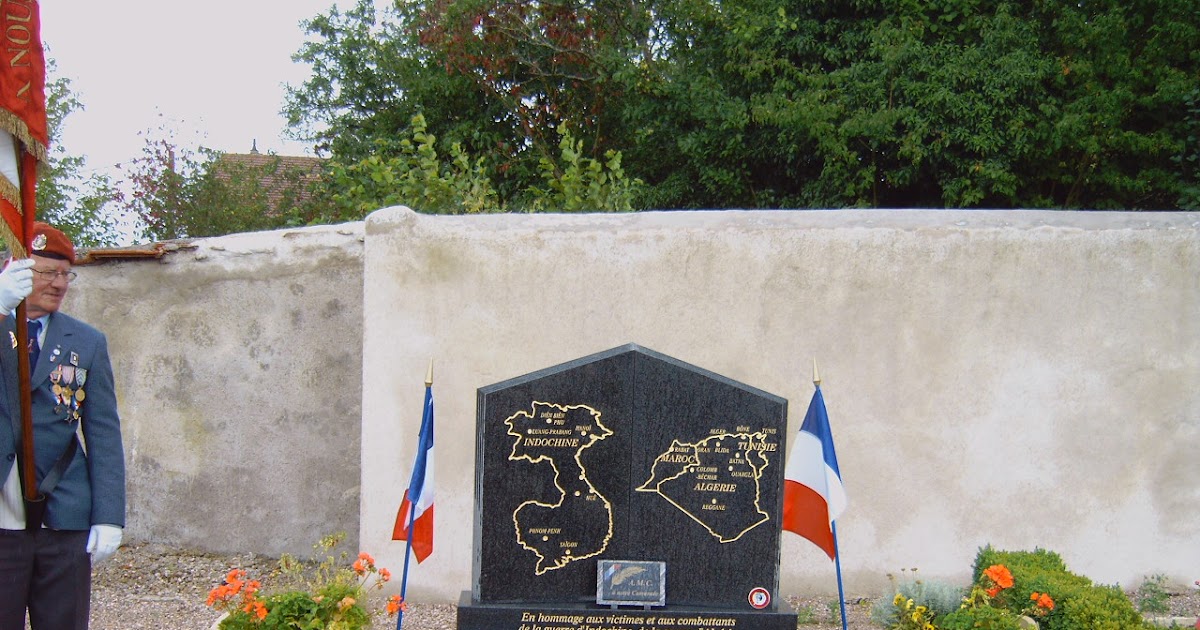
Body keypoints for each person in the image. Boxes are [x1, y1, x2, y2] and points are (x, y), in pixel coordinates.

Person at [0, 222, 125, 630]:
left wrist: (109, 516)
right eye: (46, 272)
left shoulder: (86, 341)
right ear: (13, 269)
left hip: (64, 515)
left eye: (65, 274)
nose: (58, 283)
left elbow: (103, 430)